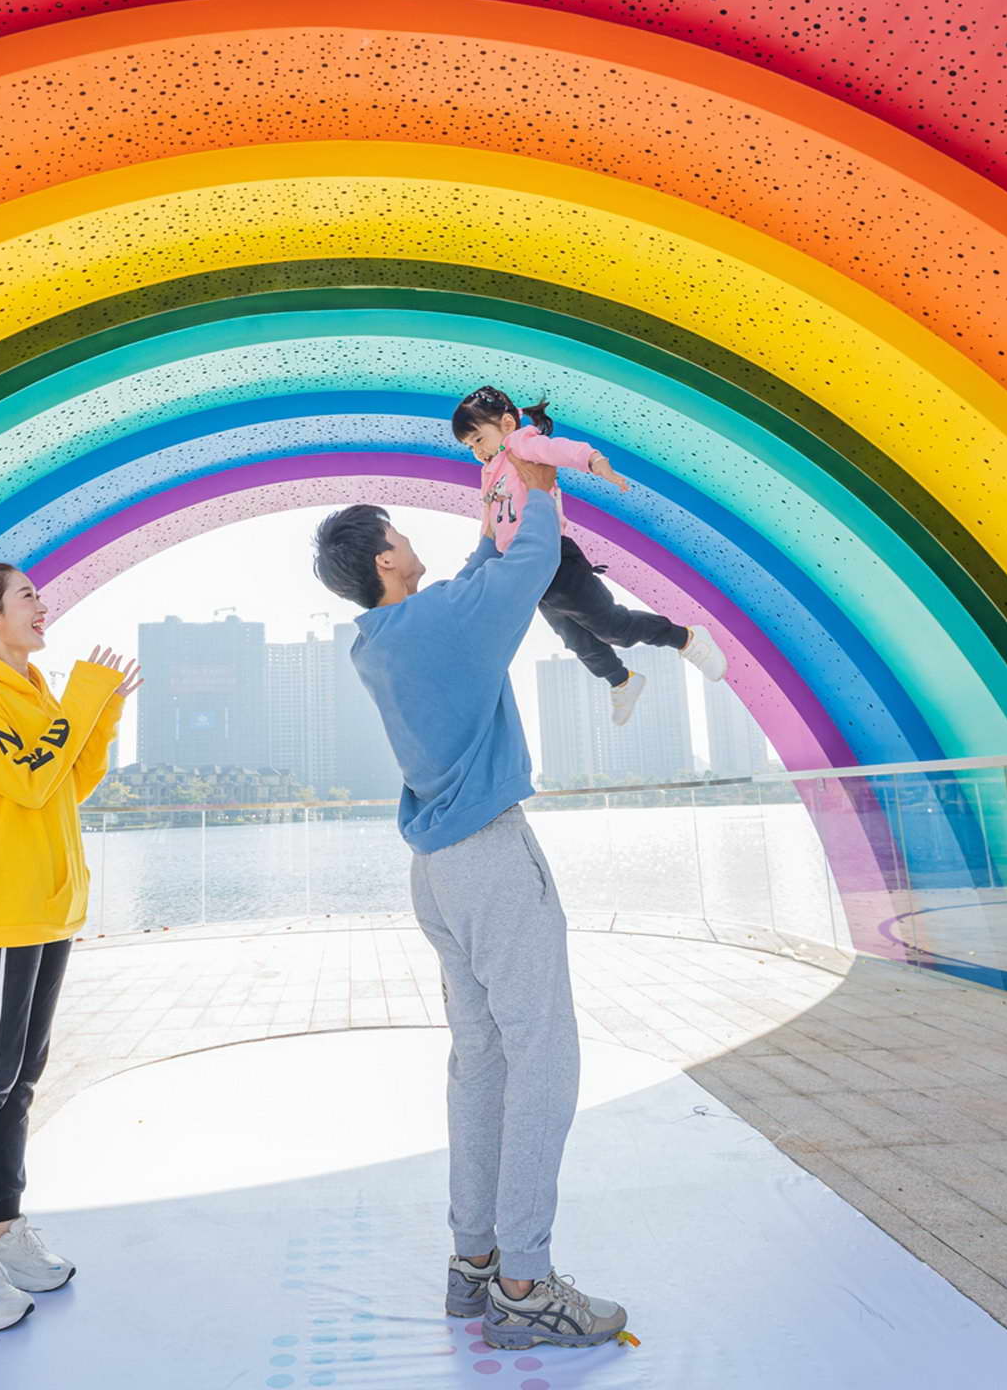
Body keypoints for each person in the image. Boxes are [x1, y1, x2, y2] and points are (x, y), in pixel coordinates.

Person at [310, 452, 630, 1351]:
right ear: (382, 559)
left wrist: (496, 496)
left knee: (482, 1061)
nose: (412, 544)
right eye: (399, 536)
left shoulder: (384, 638)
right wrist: (538, 477)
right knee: (545, 1056)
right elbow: (526, 563)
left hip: (438, 873)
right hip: (490, 861)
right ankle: (527, 1283)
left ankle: (476, 1264)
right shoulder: (437, 625)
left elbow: (474, 576)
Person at [0, 561, 141, 1333]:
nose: (43, 606)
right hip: (5, 914)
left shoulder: (31, 691)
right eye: (27, 597)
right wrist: (82, 699)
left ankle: (2, 1232)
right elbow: (30, 780)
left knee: (18, 1081)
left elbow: (67, 783)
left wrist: (99, 711)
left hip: (46, 915)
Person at [450, 386, 726, 727]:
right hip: (525, 570)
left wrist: (596, 462)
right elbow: (490, 523)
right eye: (469, 446)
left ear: (506, 423)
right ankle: (621, 681)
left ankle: (687, 638)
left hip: (555, 558)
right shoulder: (489, 472)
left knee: (614, 628)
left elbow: (560, 450)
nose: (476, 451)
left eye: (478, 439)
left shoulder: (519, 444)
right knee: (575, 638)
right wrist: (480, 559)